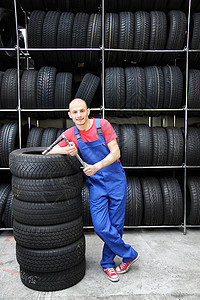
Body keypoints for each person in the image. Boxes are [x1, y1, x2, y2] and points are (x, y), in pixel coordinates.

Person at [47, 98, 139, 282]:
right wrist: (68, 151)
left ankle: (107, 264)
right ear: (69, 115)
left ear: (88, 111)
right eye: (75, 112)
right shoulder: (70, 134)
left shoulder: (102, 125)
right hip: (96, 184)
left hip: (116, 180)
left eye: (82, 111)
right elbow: (48, 151)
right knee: (100, 226)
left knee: (116, 225)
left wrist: (97, 166)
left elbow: (116, 153)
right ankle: (129, 253)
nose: (79, 115)